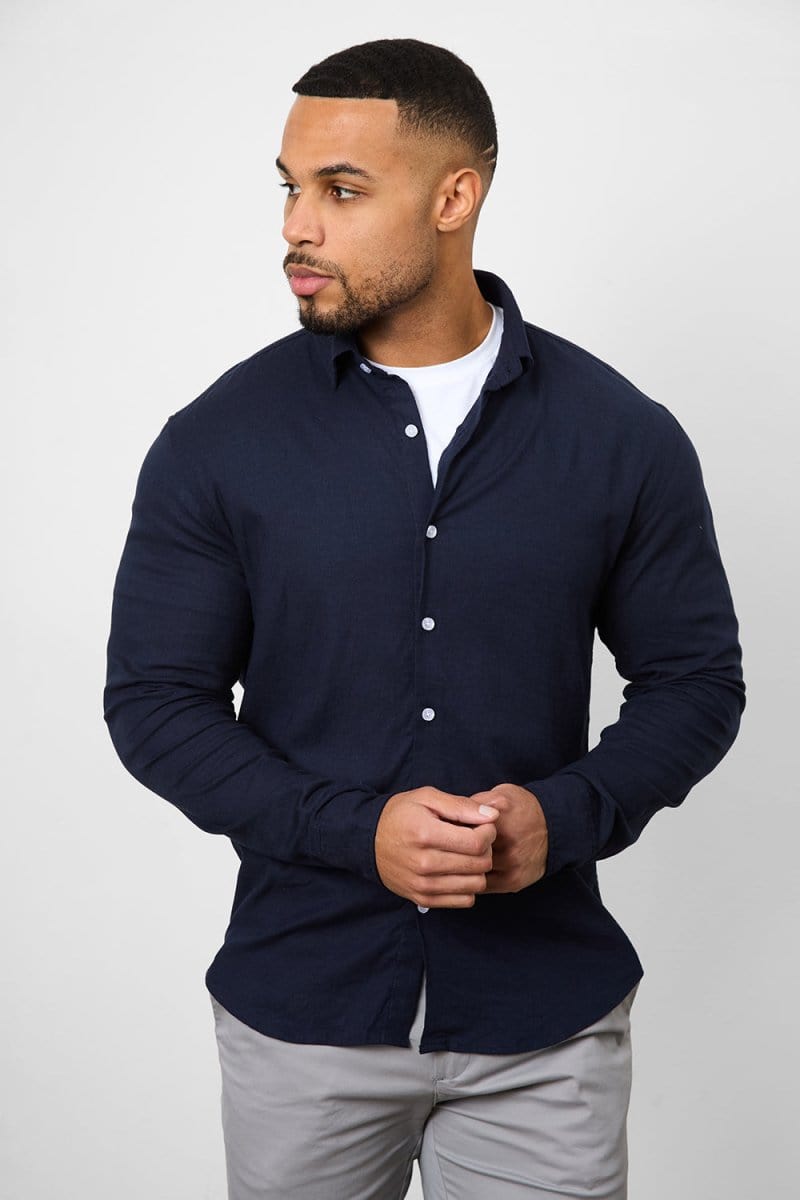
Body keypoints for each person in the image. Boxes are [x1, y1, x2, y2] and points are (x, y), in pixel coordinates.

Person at [104, 37, 745, 1200]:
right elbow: (155, 703)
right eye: (289, 188)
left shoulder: (619, 437)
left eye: (341, 190)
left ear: (455, 198)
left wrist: (563, 817)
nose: (296, 226)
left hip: (542, 1028)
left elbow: (695, 683)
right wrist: (356, 832)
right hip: (302, 1014)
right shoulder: (219, 440)